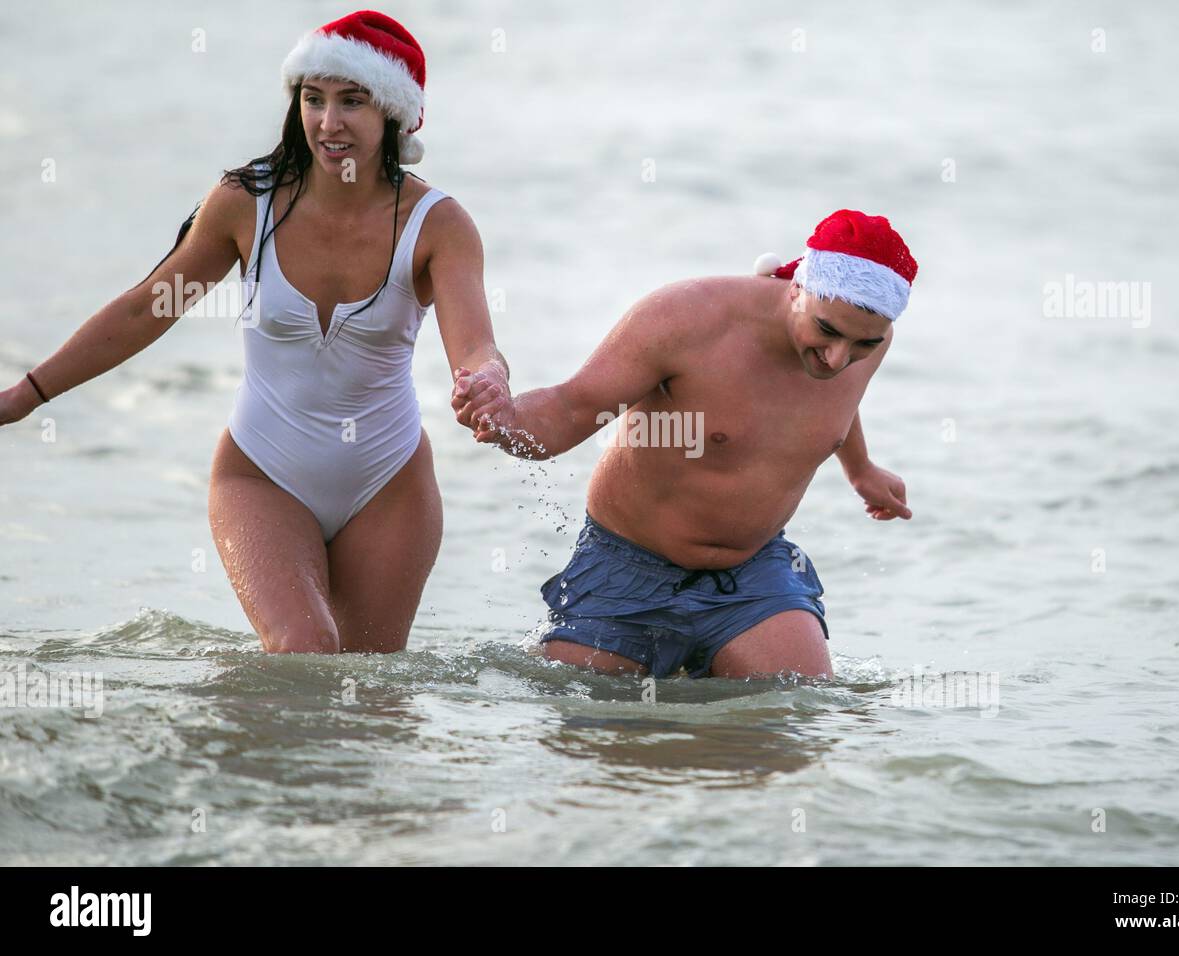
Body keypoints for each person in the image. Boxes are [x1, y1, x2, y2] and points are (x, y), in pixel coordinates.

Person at [0, 11, 509, 654]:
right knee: (303, 650)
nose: (329, 123)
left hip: (390, 483)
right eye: (313, 99)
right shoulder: (248, 203)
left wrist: (487, 382)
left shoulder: (438, 224)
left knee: (375, 698)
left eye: (352, 101)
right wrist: (24, 396)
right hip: (263, 473)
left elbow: (476, 347)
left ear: (392, 114)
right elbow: (144, 310)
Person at [451, 210, 917, 680]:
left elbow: (829, 404)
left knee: (795, 710)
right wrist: (506, 419)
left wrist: (861, 469)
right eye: (828, 332)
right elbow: (572, 407)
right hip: (625, 569)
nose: (840, 360)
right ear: (796, 288)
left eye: (863, 346)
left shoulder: (865, 333)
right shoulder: (687, 318)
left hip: (752, 573)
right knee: (590, 729)